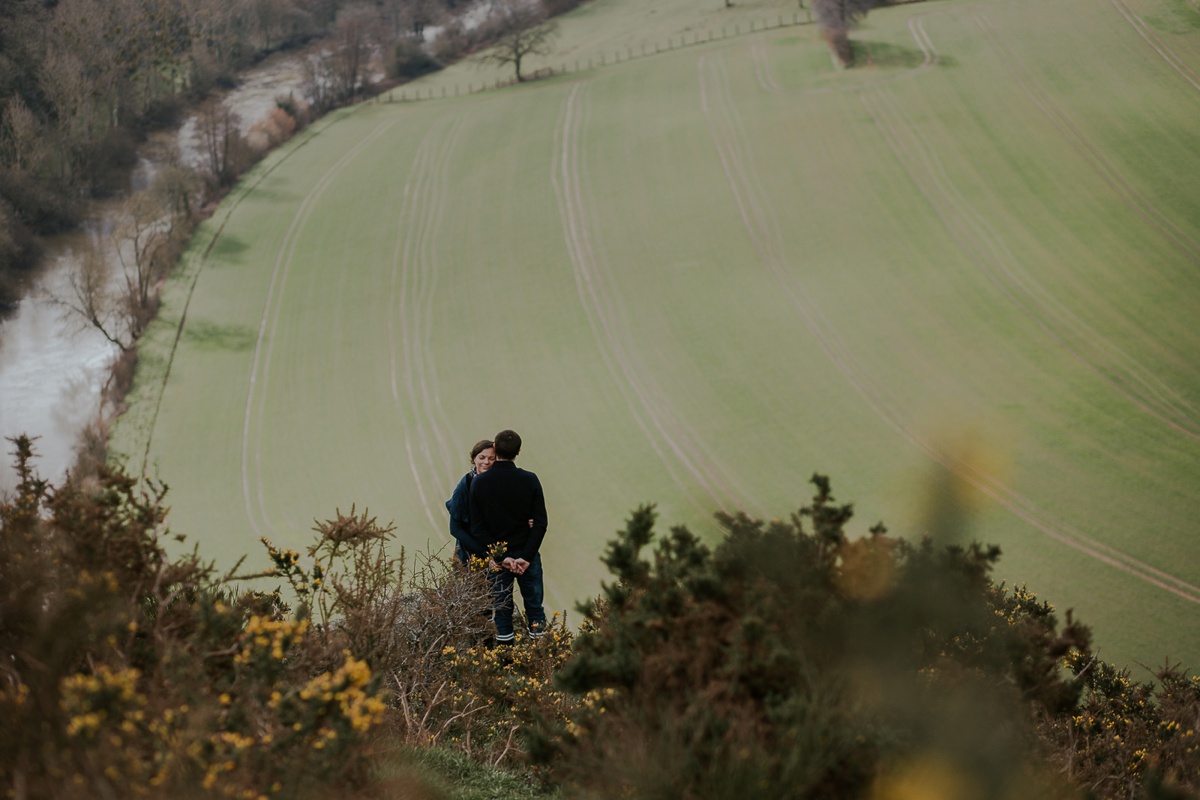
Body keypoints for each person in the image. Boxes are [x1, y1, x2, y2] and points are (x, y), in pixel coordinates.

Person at [469, 429, 549, 643]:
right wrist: (526, 557)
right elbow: (541, 523)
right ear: (519, 451)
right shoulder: (530, 480)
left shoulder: (479, 483)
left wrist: (500, 557)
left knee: (502, 611)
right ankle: (540, 657)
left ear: (495, 448)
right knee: (534, 608)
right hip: (527, 555)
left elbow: (477, 528)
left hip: (499, 561)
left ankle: (506, 660)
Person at [445, 439, 496, 566]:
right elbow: (455, 529)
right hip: (467, 556)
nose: (486, 462)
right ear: (474, 459)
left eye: (491, 458)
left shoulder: (500, 485)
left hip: (495, 557)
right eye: (482, 457)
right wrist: (485, 553)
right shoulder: (464, 486)